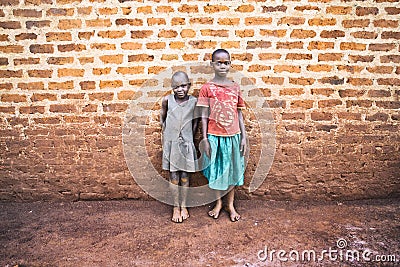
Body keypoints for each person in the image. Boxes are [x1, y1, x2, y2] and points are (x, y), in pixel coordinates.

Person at [197, 49, 247, 222]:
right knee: (217, 171)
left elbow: (239, 114)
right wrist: (204, 138)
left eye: (226, 63)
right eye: (219, 62)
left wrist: (244, 137)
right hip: (214, 136)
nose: (222, 66)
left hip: (233, 136)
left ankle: (230, 205)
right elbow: (203, 115)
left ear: (230, 64)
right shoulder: (207, 88)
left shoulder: (235, 87)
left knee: (232, 170)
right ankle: (218, 203)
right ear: (212, 64)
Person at [160, 71, 198, 223]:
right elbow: (162, 119)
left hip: (187, 143)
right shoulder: (167, 100)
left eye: (183, 86)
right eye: (176, 87)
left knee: (185, 176)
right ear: (172, 88)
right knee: (174, 177)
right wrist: (168, 136)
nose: (180, 89)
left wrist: (190, 137)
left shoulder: (193, 101)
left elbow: (195, 121)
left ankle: (184, 205)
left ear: (189, 85)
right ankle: (176, 207)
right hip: (172, 143)